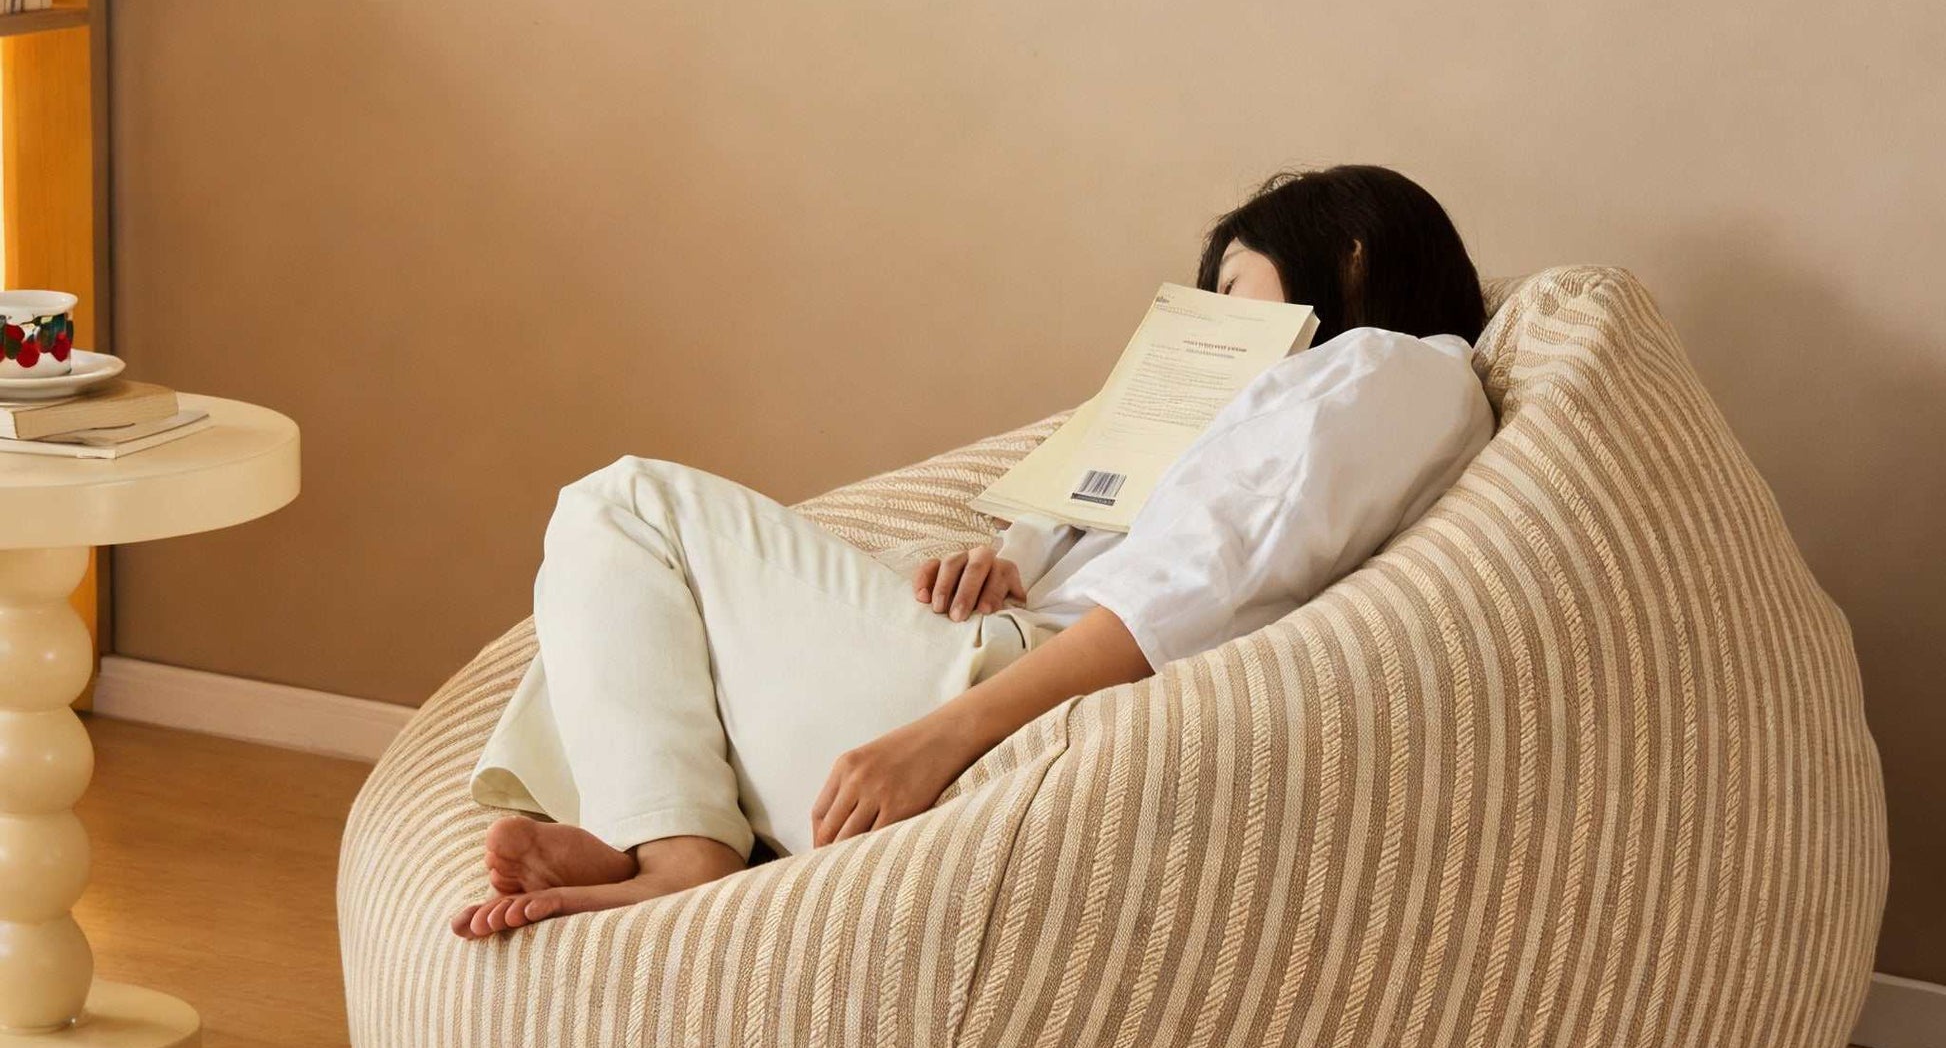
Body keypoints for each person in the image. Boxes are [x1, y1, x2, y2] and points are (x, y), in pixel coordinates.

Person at [454, 164, 1496, 937]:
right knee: (636, 588)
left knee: (625, 504)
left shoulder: (1391, 369)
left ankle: (679, 846)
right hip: (996, 646)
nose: (1216, 314)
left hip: (996, 708)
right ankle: (667, 823)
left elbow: (1195, 586)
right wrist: (1009, 559)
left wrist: (940, 737)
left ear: (1349, 258)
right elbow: (1170, 547)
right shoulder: (1274, 412)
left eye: (1233, 287)